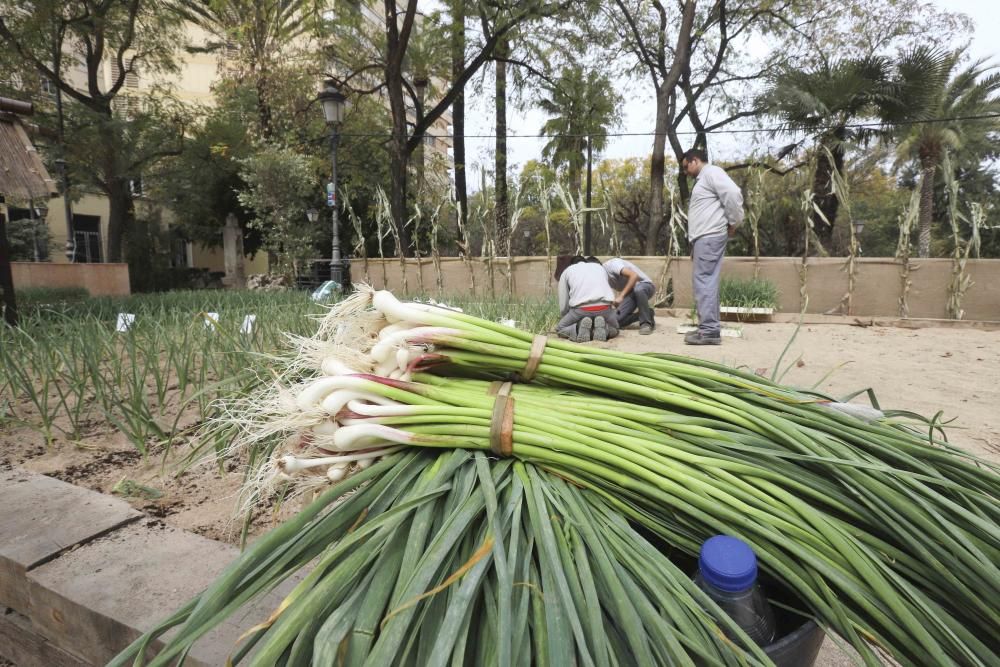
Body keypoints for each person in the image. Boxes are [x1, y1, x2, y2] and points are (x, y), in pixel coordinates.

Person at [681, 148, 744, 345]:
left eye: (685, 167)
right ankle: (709, 329)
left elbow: (733, 193)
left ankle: (709, 331)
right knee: (706, 281)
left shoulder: (712, 172)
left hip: (709, 236)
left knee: (704, 281)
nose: (685, 172)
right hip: (704, 238)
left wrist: (734, 221)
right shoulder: (705, 178)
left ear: (695, 160)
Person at [555, 255, 619, 342]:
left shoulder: (568, 271)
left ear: (571, 264)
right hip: (604, 308)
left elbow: (563, 302)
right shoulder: (599, 267)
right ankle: (605, 328)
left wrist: (566, 316)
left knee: (560, 328)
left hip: (581, 310)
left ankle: (578, 327)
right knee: (615, 328)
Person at [603, 257, 655, 334]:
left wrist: (621, 296)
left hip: (645, 285)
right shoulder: (601, 278)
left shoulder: (612, 264)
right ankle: (648, 313)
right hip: (631, 293)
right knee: (616, 321)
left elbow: (634, 276)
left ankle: (646, 323)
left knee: (638, 289)